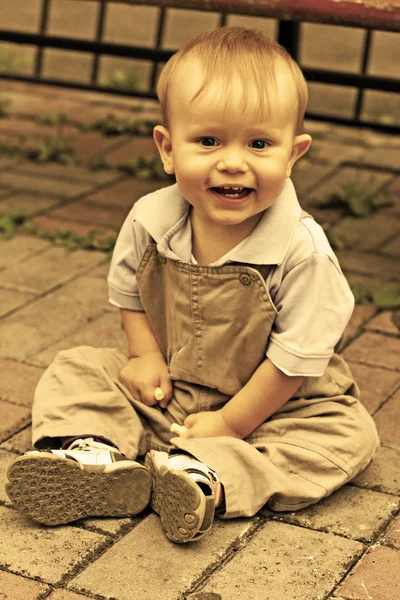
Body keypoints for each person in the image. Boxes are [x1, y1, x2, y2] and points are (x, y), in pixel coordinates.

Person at [5, 26, 379, 544]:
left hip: (278, 405)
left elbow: (293, 362)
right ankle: (88, 455)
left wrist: (230, 423)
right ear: (167, 148)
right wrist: (143, 357)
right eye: (207, 140)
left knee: (347, 435)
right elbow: (130, 293)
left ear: (293, 155)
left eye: (259, 143)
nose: (232, 160)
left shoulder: (303, 252)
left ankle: (203, 476)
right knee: (80, 367)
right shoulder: (151, 220)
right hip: (171, 389)